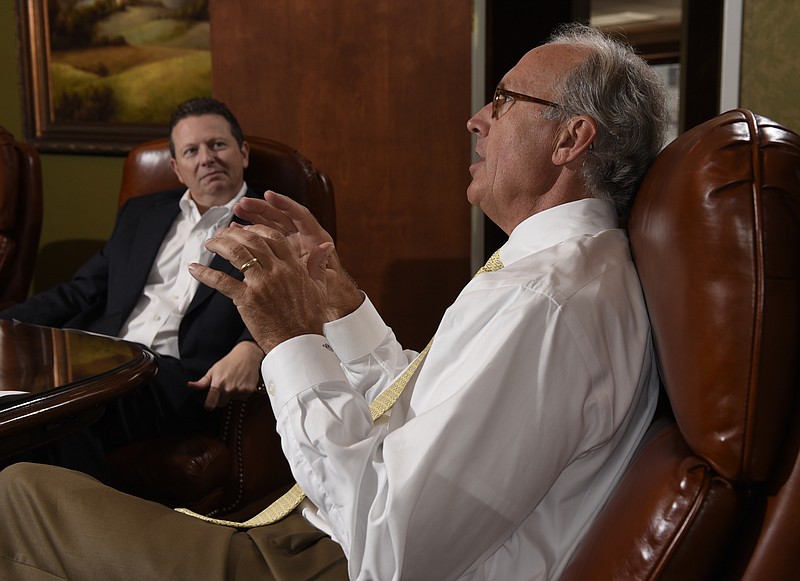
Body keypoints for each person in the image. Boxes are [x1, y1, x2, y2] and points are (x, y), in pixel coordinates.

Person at [0, 23, 668, 580]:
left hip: (329, 559)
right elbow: (423, 410)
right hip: (329, 528)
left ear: (570, 139)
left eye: (503, 99)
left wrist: (288, 340)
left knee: (17, 494)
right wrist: (341, 306)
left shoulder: (549, 302)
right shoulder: (556, 272)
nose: (477, 118)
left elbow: (389, 549)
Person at [0, 97, 265, 478]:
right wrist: (6, 322)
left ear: (243, 153)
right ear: (176, 168)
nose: (206, 158)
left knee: (61, 416)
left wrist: (251, 347)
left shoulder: (270, 220)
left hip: (179, 375)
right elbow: (81, 290)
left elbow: (292, 303)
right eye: (191, 151)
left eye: (217, 145)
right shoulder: (141, 214)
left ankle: (75, 532)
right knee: (23, 412)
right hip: (100, 358)